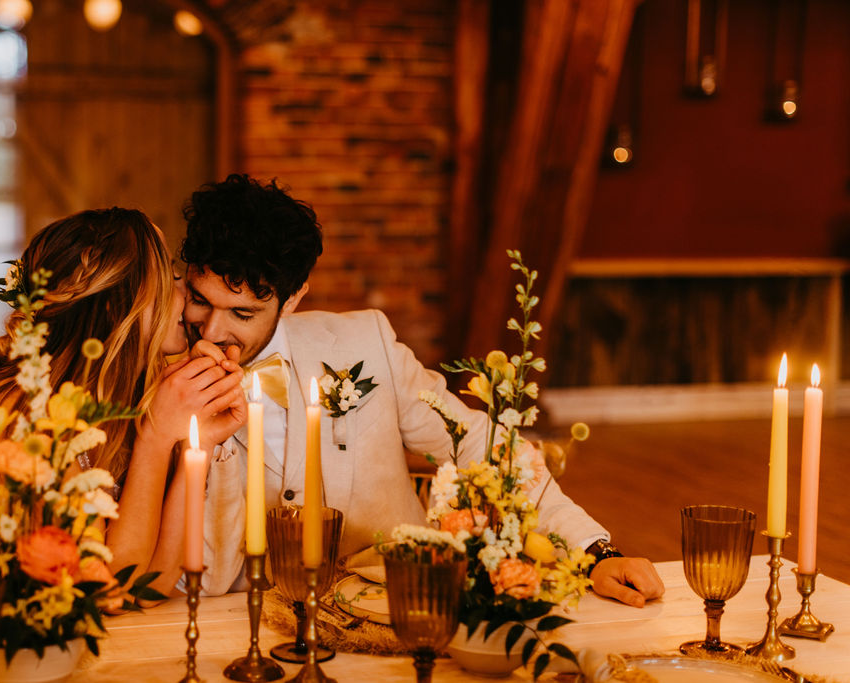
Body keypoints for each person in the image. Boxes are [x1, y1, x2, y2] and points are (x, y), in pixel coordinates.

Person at [180, 175, 665, 606]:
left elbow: (483, 447)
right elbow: (200, 568)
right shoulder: (168, 379)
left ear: (295, 297)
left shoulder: (364, 343)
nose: (211, 332)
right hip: (251, 624)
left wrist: (593, 553)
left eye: (242, 314)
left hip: (399, 604)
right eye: (201, 301)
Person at [0, 207, 246, 597]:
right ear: (115, 305)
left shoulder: (121, 402)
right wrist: (156, 438)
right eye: (171, 277)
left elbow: (149, 587)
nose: (185, 296)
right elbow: (104, 590)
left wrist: (199, 442)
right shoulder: (28, 415)